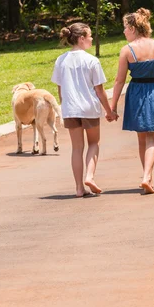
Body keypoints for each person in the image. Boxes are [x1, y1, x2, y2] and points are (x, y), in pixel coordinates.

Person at [110, 8, 154, 194]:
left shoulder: (127, 51)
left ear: (132, 27)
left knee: (141, 139)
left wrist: (113, 106)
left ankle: (146, 176)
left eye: (125, 27)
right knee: (153, 138)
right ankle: (148, 177)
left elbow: (119, 81)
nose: (123, 32)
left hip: (137, 93)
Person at [52, 23, 117, 198]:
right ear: (81, 39)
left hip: (70, 108)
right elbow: (99, 90)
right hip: (88, 107)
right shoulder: (91, 61)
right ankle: (90, 176)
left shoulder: (61, 60)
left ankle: (79, 188)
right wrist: (109, 110)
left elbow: (60, 88)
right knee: (94, 143)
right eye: (89, 36)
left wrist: (64, 105)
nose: (91, 39)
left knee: (77, 148)